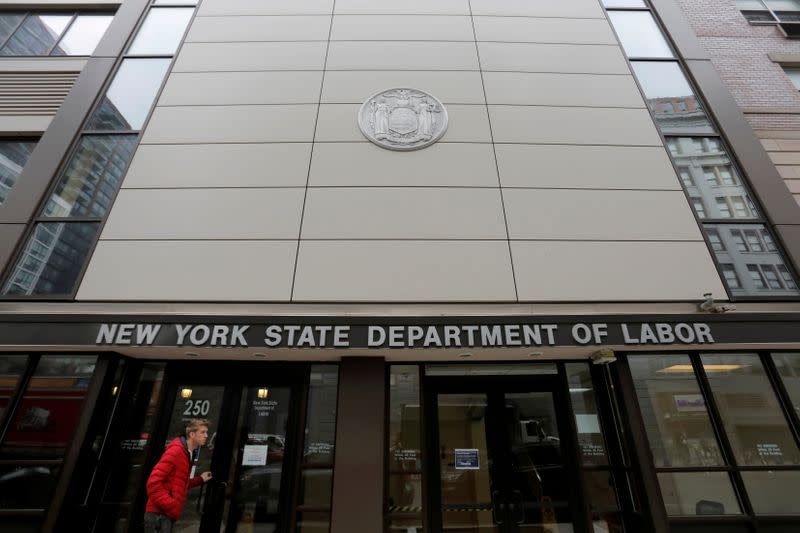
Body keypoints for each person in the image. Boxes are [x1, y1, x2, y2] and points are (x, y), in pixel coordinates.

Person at [144, 418, 213, 532]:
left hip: (166, 515)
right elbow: (153, 482)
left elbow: (179, 482)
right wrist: (170, 503)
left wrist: (200, 479)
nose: (206, 435)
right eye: (202, 432)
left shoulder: (188, 453)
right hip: (159, 515)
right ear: (191, 434)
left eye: (207, 432)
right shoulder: (176, 451)